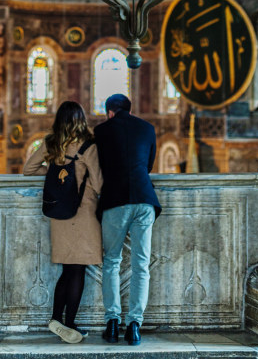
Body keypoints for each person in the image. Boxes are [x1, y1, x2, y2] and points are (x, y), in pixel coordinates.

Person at [24, 101, 103, 344]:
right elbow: (100, 184)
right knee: (77, 268)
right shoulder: (89, 146)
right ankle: (69, 324)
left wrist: (51, 172)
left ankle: (56, 318)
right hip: (83, 213)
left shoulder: (51, 143)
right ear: (81, 120)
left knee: (67, 268)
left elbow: (29, 169)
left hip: (59, 214)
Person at [94, 93, 161, 346]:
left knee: (111, 261)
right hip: (145, 199)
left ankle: (112, 323)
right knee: (141, 264)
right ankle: (134, 326)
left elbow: (98, 166)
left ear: (110, 112)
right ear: (129, 111)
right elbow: (148, 164)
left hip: (115, 200)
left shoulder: (101, 131)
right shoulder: (147, 128)